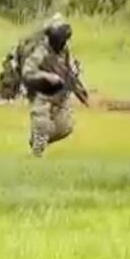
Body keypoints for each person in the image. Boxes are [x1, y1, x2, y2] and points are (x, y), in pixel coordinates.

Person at [21, 14, 85, 158]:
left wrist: (75, 74)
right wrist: (47, 77)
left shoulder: (65, 49)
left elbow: (70, 68)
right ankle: (36, 155)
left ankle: (38, 138)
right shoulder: (40, 51)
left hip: (61, 93)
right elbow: (28, 72)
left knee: (66, 126)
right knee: (41, 123)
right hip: (42, 92)